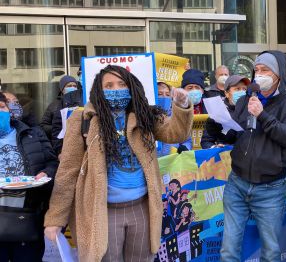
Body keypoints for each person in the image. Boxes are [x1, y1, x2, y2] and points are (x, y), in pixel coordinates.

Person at [43, 65, 193, 261]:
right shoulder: (82, 119)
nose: (116, 89)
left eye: (122, 84)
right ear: (99, 89)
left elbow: (176, 133)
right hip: (103, 213)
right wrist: (55, 218)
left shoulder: (144, 115)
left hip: (142, 209)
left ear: (131, 87)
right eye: (109, 85)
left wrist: (181, 107)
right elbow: (68, 171)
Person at [220, 50, 286, 261]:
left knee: (271, 250)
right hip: (237, 184)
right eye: (256, 70)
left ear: (278, 75)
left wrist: (262, 115)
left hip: (270, 190)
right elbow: (234, 134)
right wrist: (219, 122)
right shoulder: (246, 99)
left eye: (265, 70)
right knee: (228, 249)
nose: (259, 75)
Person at [0, 92, 58, 261]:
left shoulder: (33, 134)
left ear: (9, 111)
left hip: (27, 216)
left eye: (2, 107)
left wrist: (47, 173)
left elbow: (53, 164)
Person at [201, 75, 250, 149]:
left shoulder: (252, 111)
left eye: (244, 89)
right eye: (237, 89)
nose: (242, 92)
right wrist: (215, 147)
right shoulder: (218, 113)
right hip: (225, 157)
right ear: (227, 93)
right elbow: (206, 141)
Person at [156, 81, 192, 156]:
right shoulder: (145, 117)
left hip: (171, 163)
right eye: (159, 94)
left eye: (167, 94)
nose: (164, 97)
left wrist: (185, 147)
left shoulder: (175, 116)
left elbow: (187, 140)